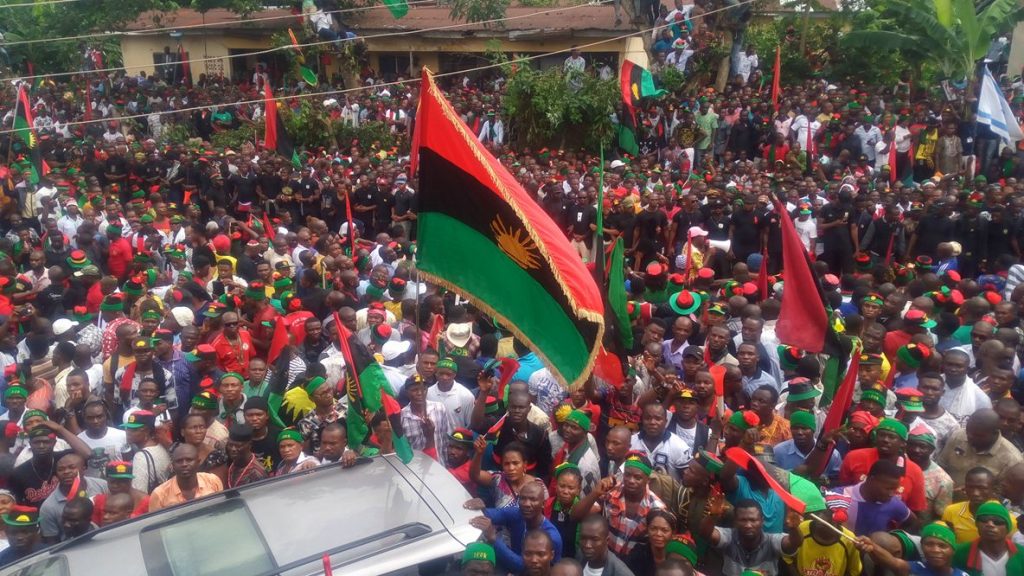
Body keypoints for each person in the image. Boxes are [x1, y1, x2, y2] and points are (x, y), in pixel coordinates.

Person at [470, 481, 562, 574]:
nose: (526, 504)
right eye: (523, 498)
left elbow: (525, 567)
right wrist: (480, 508)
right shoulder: (517, 513)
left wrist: (494, 540)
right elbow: (488, 515)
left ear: (543, 503)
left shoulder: (552, 537)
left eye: (533, 499)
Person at [702, 498, 803, 576]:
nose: (748, 525)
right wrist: (712, 516)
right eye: (743, 520)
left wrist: (794, 528)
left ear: (762, 521)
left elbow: (795, 542)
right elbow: (706, 533)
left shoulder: (772, 541)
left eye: (753, 520)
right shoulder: (729, 536)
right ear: (735, 521)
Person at [39, 452, 107, 543]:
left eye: (72, 467)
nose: (66, 472)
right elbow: (52, 542)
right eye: (61, 469)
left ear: (84, 468)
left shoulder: (102, 485)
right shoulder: (48, 507)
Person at [857, 521, 967, 576]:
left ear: (953, 550)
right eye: (929, 544)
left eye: (942, 546)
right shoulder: (916, 568)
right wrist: (872, 547)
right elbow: (893, 562)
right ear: (922, 546)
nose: (935, 550)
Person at [148, 444, 224, 512]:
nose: (184, 464)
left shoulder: (212, 481)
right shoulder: (160, 494)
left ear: (198, 462)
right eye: (179, 461)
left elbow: (221, 511)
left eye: (189, 460)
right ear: (173, 465)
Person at [225, 422, 269, 488]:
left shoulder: (257, 473)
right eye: (230, 445)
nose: (233, 449)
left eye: (238, 446)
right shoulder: (233, 462)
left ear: (249, 445)